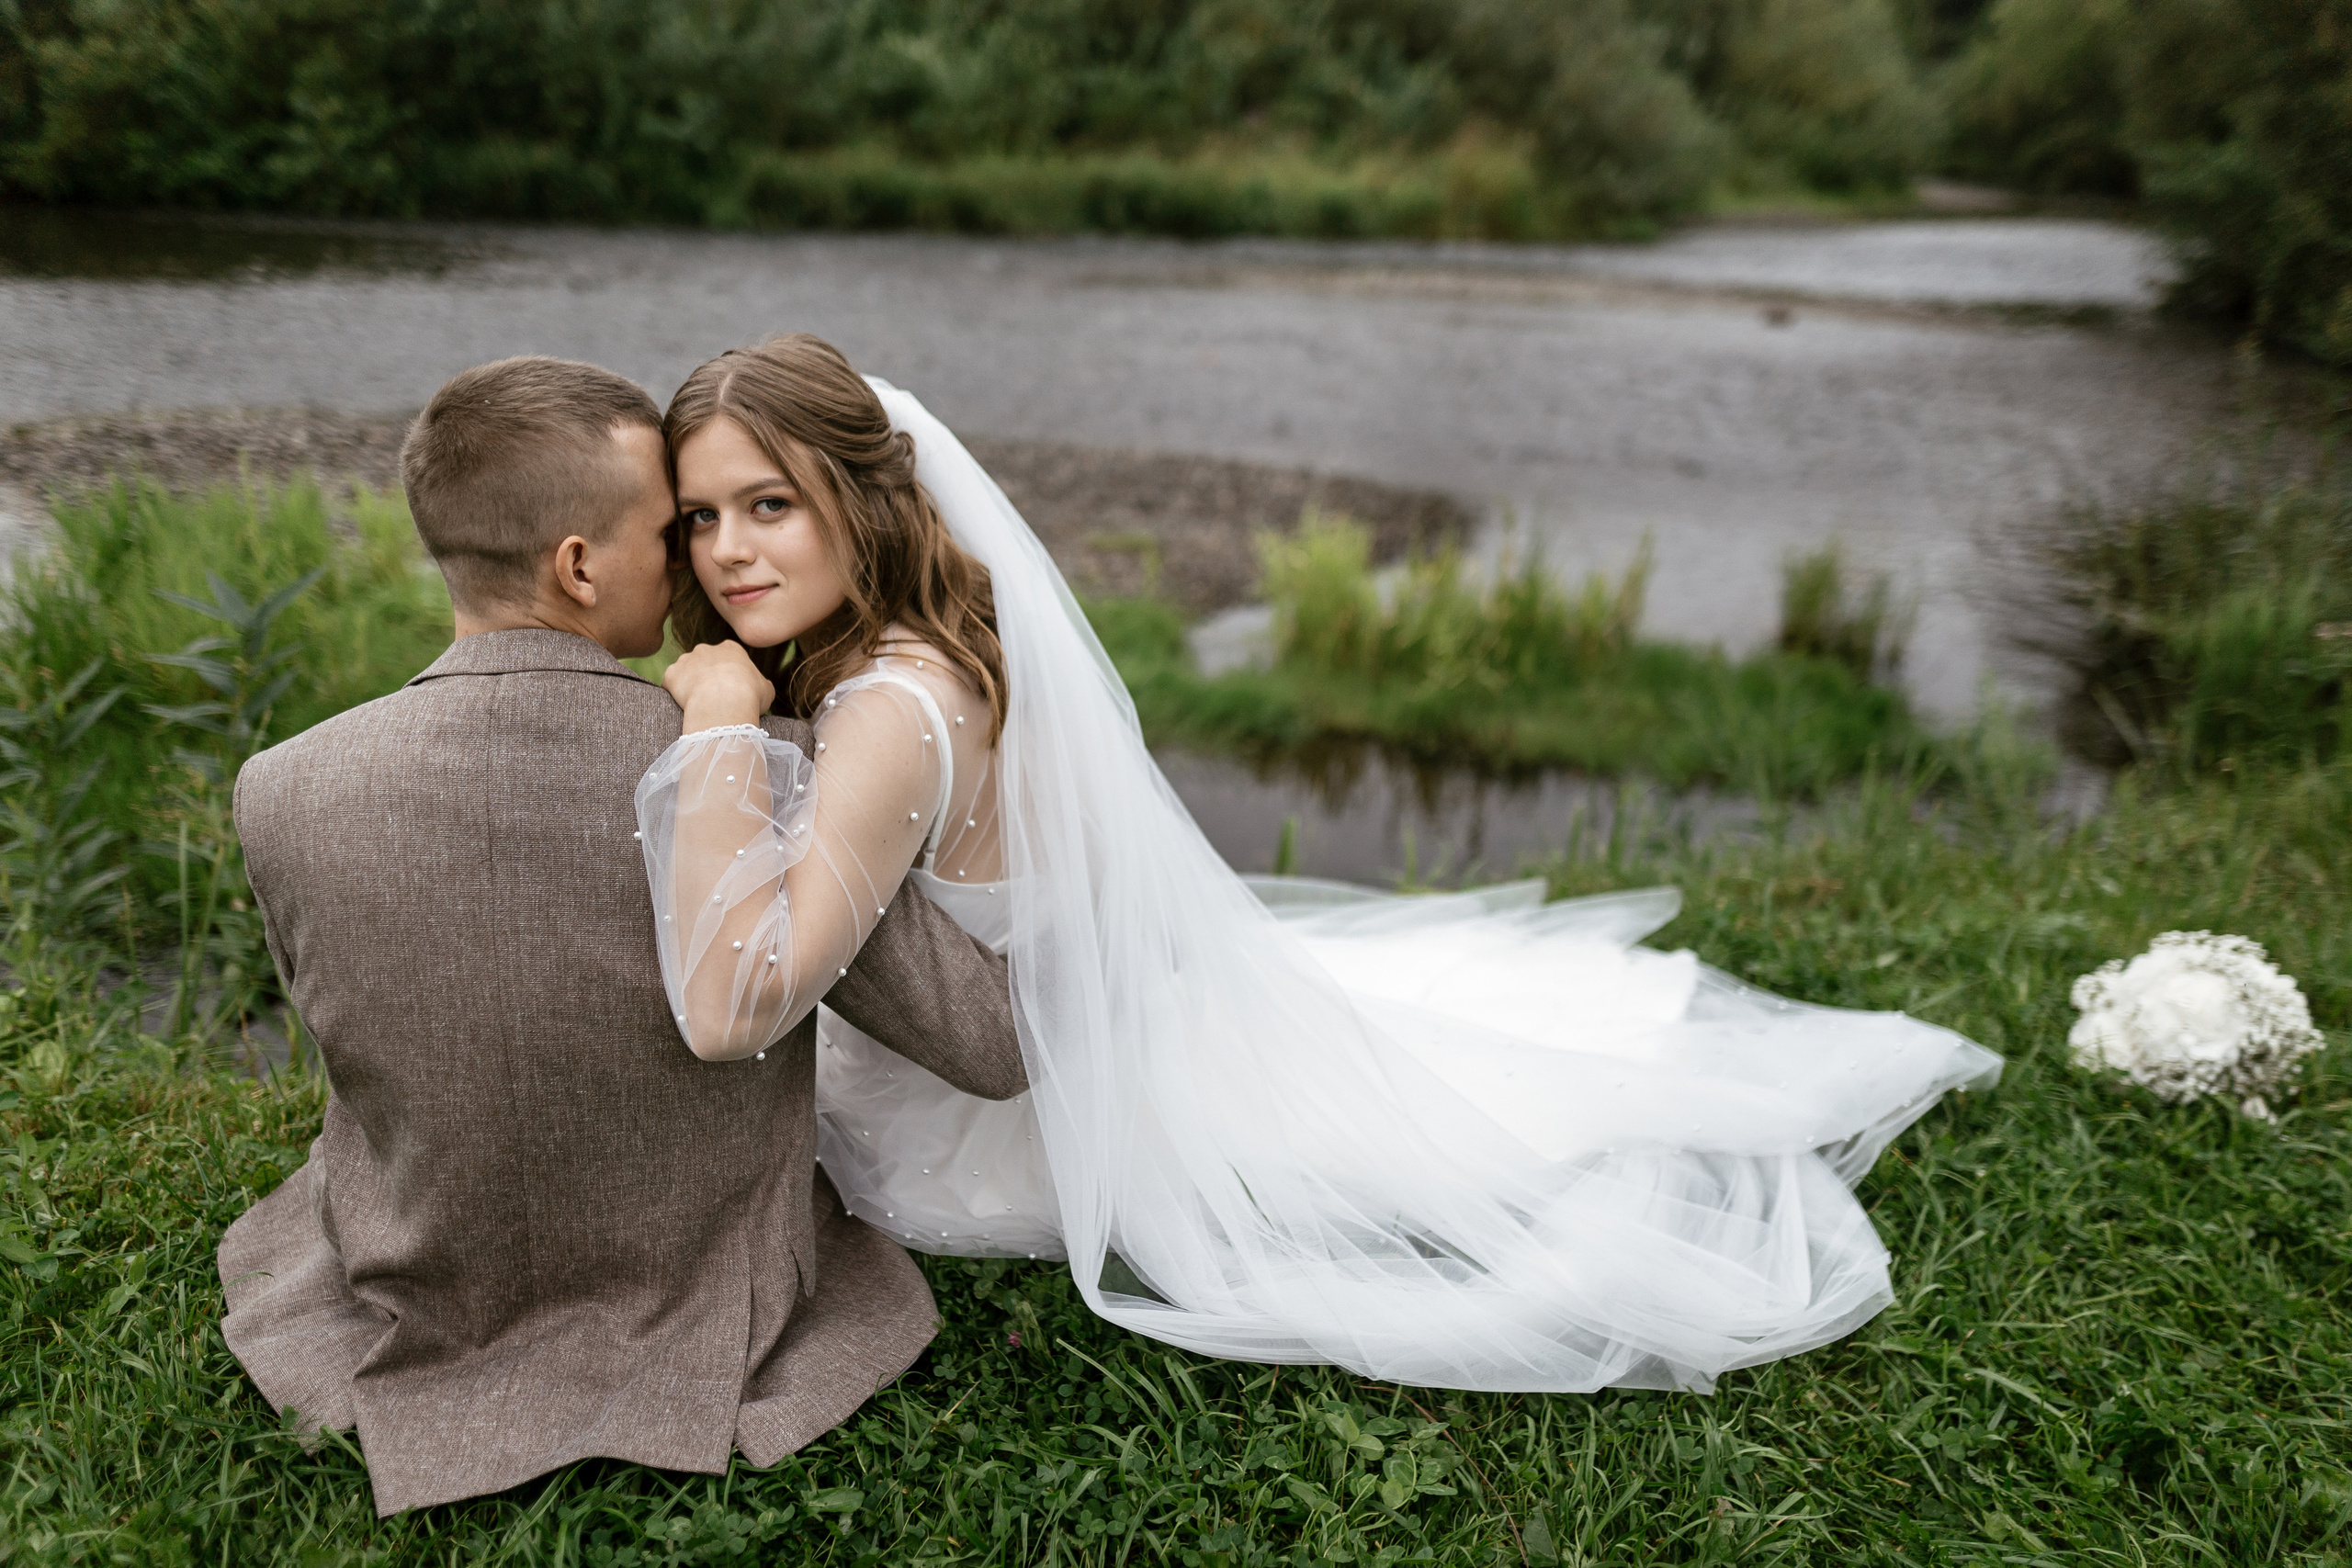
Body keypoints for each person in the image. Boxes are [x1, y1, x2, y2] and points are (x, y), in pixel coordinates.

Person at [638, 333, 2006, 1397]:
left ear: (863, 498)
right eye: (700, 517)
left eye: (772, 503)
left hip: (980, 1136)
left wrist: (713, 735)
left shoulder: (880, 711)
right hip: (1085, 1028)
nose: (731, 550)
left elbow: (742, 998)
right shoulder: (917, 640)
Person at [218, 355, 1029, 1517]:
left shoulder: (279, 788)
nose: (705, 557)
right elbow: (979, 1036)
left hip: (421, 1259)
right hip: (710, 1287)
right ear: (581, 566)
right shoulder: (767, 768)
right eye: (676, 525)